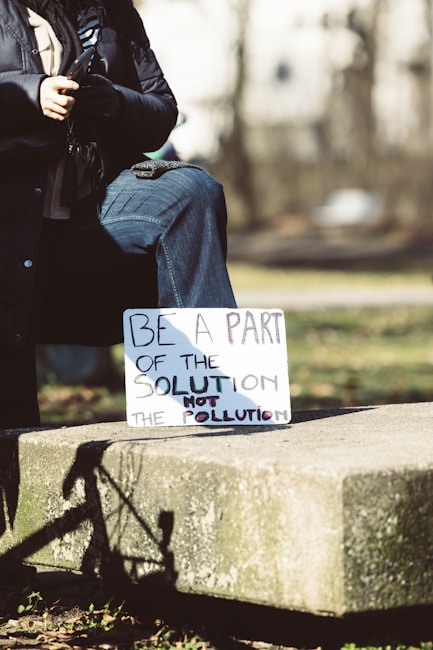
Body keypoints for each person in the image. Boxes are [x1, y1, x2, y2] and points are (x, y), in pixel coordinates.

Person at [0, 0, 237, 429]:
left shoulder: (114, 11)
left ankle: (212, 400)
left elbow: (162, 108)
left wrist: (114, 101)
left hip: (89, 209)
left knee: (190, 192)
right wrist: (31, 94)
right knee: (13, 422)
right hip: (10, 219)